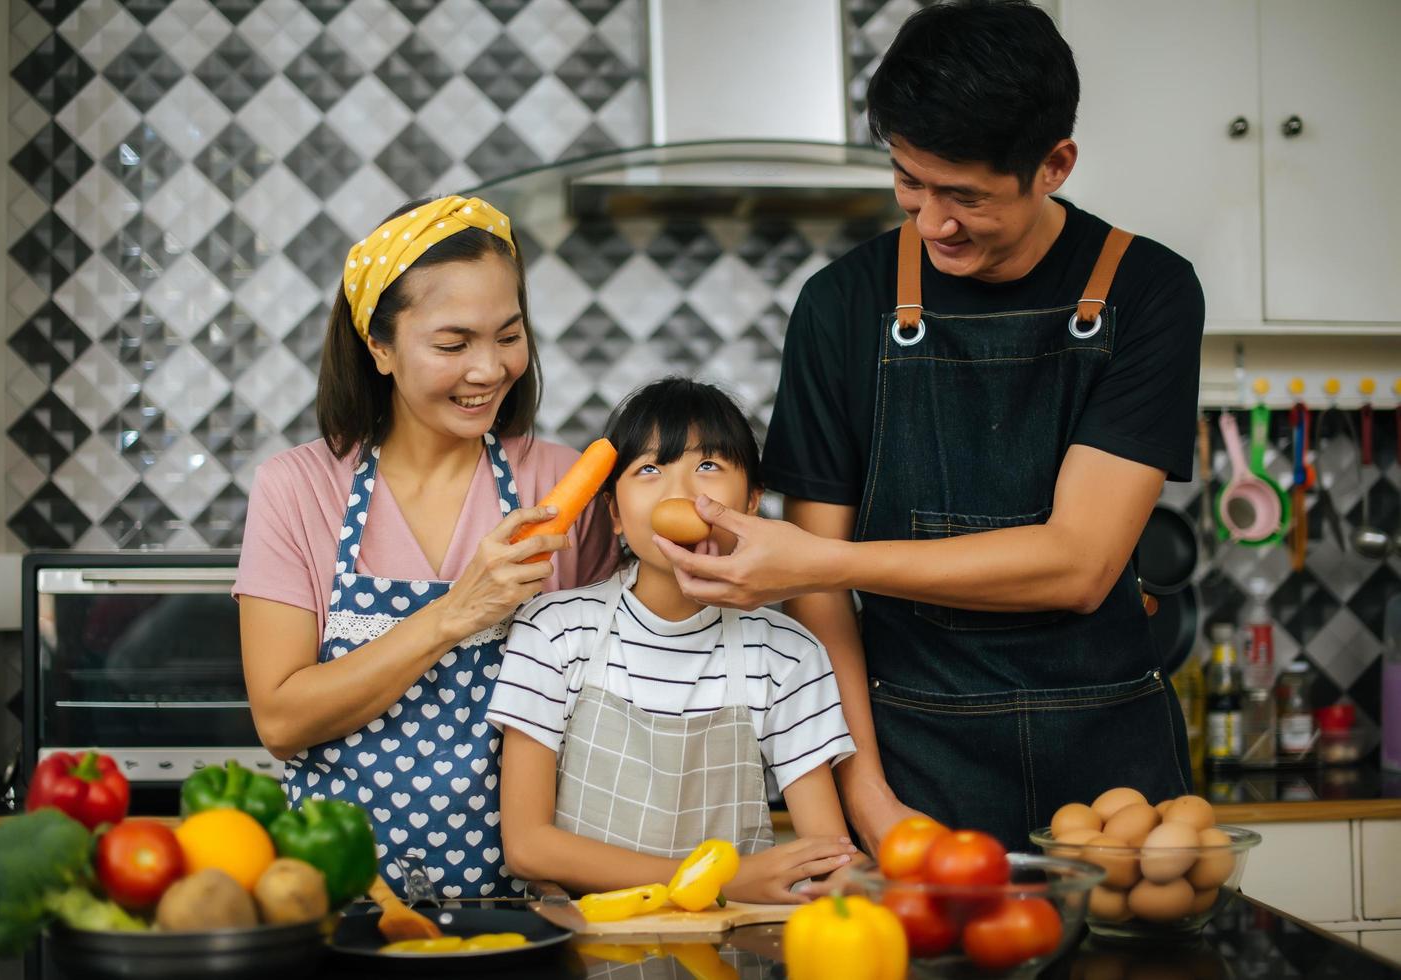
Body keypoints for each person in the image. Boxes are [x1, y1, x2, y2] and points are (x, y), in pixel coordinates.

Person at [653, 1, 1201, 852]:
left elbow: (1079, 564)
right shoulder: (842, 304)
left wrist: (822, 561)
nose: (932, 221)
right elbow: (819, 602)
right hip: (914, 768)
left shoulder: (1150, 292)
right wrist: (869, 799)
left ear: (1053, 164)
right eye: (909, 181)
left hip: (1114, 777)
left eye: (965, 195)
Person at [234, 196, 616, 899]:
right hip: (337, 901)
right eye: (452, 343)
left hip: (537, 905)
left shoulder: (562, 483)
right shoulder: (298, 489)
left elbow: (610, 700)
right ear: (378, 346)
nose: (488, 369)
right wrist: (455, 614)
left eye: (508, 335)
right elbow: (281, 721)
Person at [487, 379, 860, 902]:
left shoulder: (788, 655)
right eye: (648, 470)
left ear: (752, 502)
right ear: (613, 512)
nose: (679, 492)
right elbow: (528, 847)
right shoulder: (553, 633)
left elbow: (825, 853)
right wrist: (720, 880)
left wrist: (854, 876)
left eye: (708, 466)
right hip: (584, 943)